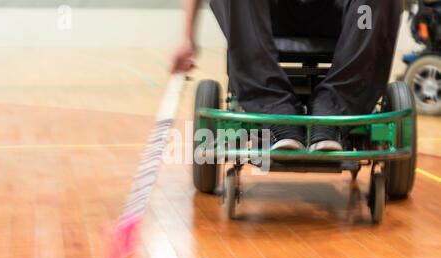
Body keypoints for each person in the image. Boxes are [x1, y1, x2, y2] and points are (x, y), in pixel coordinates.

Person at [170, 0, 402, 151]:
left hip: (341, 14)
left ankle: (333, 113)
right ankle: (275, 114)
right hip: (269, 15)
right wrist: (186, 36)